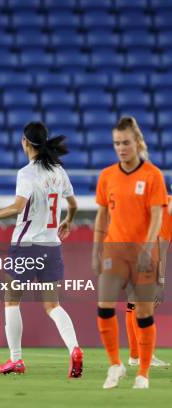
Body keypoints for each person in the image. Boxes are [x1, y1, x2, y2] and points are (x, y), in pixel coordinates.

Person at [0, 122, 83, 378]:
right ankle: (74, 348)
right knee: (53, 305)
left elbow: (17, 207)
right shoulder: (58, 171)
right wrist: (69, 220)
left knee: (11, 301)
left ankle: (16, 360)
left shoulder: (27, 173)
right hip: (52, 246)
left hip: (26, 245)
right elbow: (73, 203)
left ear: (25, 142)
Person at [93, 117, 167, 390]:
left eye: (126, 142)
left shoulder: (152, 175)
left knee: (143, 313)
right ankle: (115, 364)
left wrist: (148, 249)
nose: (121, 148)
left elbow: (158, 215)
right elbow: (101, 215)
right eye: (116, 143)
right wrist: (96, 249)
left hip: (143, 253)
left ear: (137, 142)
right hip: (114, 250)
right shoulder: (107, 176)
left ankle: (143, 374)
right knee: (104, 306)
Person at [124, 196, 171, 369]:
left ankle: (135, 356)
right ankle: (146, 355)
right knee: (144, 306)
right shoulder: (167, 213)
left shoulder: (161, 202)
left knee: (133, 303)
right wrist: (161, 283)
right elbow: (162, 253)